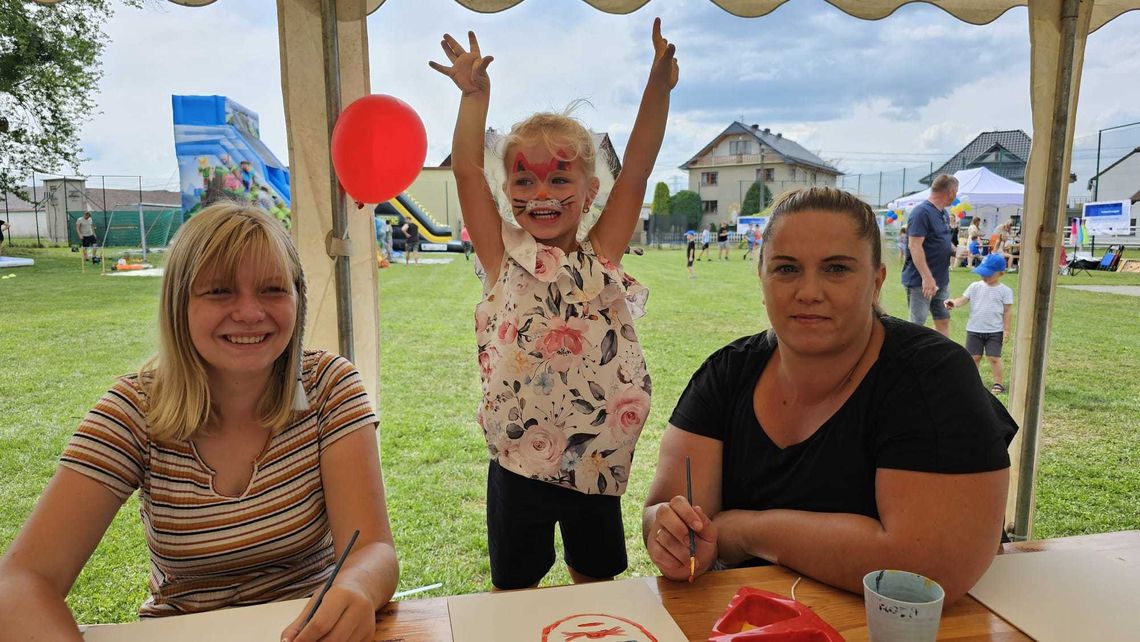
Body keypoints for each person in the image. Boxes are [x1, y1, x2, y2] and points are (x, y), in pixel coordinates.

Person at [0, 203, 398, 640]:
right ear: (179, 304)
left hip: (310, 628)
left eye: (271, 289)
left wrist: (357, 586)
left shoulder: (330, 385)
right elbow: (22, 580)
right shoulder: (134, 410)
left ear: (298, 299)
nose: (249, 312)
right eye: (219, 291)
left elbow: (373, 549)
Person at [642, 186, 1016, 606]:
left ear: (876, 281)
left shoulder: (929, 375)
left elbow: (926, 569)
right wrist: (668, 530)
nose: (808, 291)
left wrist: (744, 531)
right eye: (786, 269)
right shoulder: (727, 372)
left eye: (836, 268)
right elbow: (665, 509)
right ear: (761, 277)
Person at [430, 18, 676, 590]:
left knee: (597, 580)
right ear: (508, 191)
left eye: (560, 180)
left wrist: (657, 89)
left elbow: (637, 169)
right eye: (524, 182)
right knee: (513, 590)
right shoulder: (500, 254)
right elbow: (467, 168)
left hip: (596, 458)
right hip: (517, 463)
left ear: (591, 191)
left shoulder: (601, 255)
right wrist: (473, 99)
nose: (541, 196)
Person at [945, 254, 1014, 395]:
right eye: (982, 273)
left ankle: (998, 383)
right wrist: (954, 303)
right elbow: (963, 299)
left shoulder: (1005, 291)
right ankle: (973, 382)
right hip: (974, 329)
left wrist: (1006, 329)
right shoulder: (974, 286)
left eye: (988, 274)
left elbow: (1007, 311)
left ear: (1001, 273)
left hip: (995, 331)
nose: (984, 276)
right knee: (973, 358)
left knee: (994, 358)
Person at [901, 174, 956, 336]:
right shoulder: (921, 213)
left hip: (941, 279)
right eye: (956, 192)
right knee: (918, 325)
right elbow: (914, 245)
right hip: (921, 281)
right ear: (951, 191)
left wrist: (955, 250)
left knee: (943, 319)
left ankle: (942, 357)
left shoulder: (943, 214)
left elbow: (943, 240)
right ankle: (912, 359)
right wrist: (926, 277)